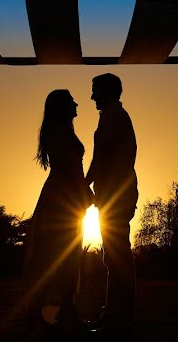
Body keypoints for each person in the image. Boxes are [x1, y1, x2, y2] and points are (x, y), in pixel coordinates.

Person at [23, 89, 94, 330]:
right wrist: (83, 191)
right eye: (72, 101)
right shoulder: (60, 131)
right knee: (59, 251)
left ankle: (63, 308)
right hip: (64, 196)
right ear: (63, 106)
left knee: (61, 251)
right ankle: (60, 309)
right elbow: (68, 167)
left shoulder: (61, 130)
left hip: (65, 194)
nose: (77, 104)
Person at [85, 73, 139, 333]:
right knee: (114, 254)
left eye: (95, 90)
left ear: (106, 92)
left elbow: (102, 155)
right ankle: (115, 313)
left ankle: (119, 316)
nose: (92, 96)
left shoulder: (112, 116)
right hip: (116, 193)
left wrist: (84, 184)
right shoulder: (113, 115)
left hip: (116, 194)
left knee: (116, 256)